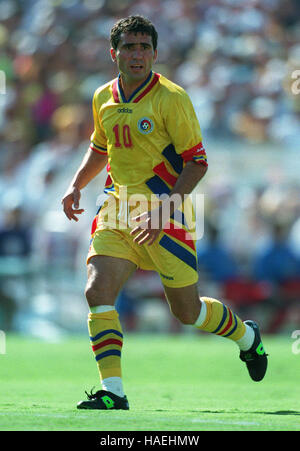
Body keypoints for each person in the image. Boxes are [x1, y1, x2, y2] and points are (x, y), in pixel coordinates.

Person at [61, 16, 268, 411]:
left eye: (143, 47)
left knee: (187, 312)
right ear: (114, 53)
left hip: (166, 210)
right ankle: (113, 392)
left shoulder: (172, 98)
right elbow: (100, 146)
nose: (136, 54)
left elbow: (198, 162)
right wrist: (76, 184)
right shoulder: (103, 96)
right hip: (117, 207)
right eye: (129, 47)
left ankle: (247, 337)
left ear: (155, 54)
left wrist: (162, 211)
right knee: (97, 290)